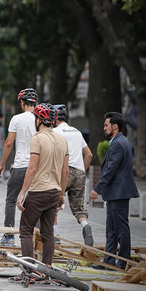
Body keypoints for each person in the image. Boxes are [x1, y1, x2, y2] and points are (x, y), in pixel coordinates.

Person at [16, 103, 69, 267]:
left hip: (38, 191)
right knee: (48, 233)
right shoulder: (62, 141)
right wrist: (61, 194)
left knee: (26, 230)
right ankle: (47, 269)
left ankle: (29, 270)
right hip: (54, 192)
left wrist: (22, 192)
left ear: (39, 119)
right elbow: (65, 171)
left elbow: (32, 168)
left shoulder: (37, 139)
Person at [90, 112, 139, 269]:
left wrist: (97, 189)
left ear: (115, 126)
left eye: (106, 125)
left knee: (121, 230)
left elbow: (110, 170)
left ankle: (122, 262)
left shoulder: (118, 143)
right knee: (111, 229)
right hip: (116, 193)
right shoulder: (120, 141)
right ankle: (108, 262)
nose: (104, 128)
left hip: (119, 193)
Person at [0, 88, 38, 246]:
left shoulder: (16, 119)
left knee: (11, 200)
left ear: (22, 103)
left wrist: (1, 165)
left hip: (20, 166)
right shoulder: (41, 119)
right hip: (37, 167)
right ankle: (37, 237)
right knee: (35, 202)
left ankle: (9, 236)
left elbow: (8, 143)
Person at [53, 104, 94, 246]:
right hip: (80, 173)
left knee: (52, 203)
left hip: (64, 172)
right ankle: (85, 225)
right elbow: (89, 154)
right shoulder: (77, 131)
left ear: (54, 118)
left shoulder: (56, 132)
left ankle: (55, 235)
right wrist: (81, 169)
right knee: (79, 209)